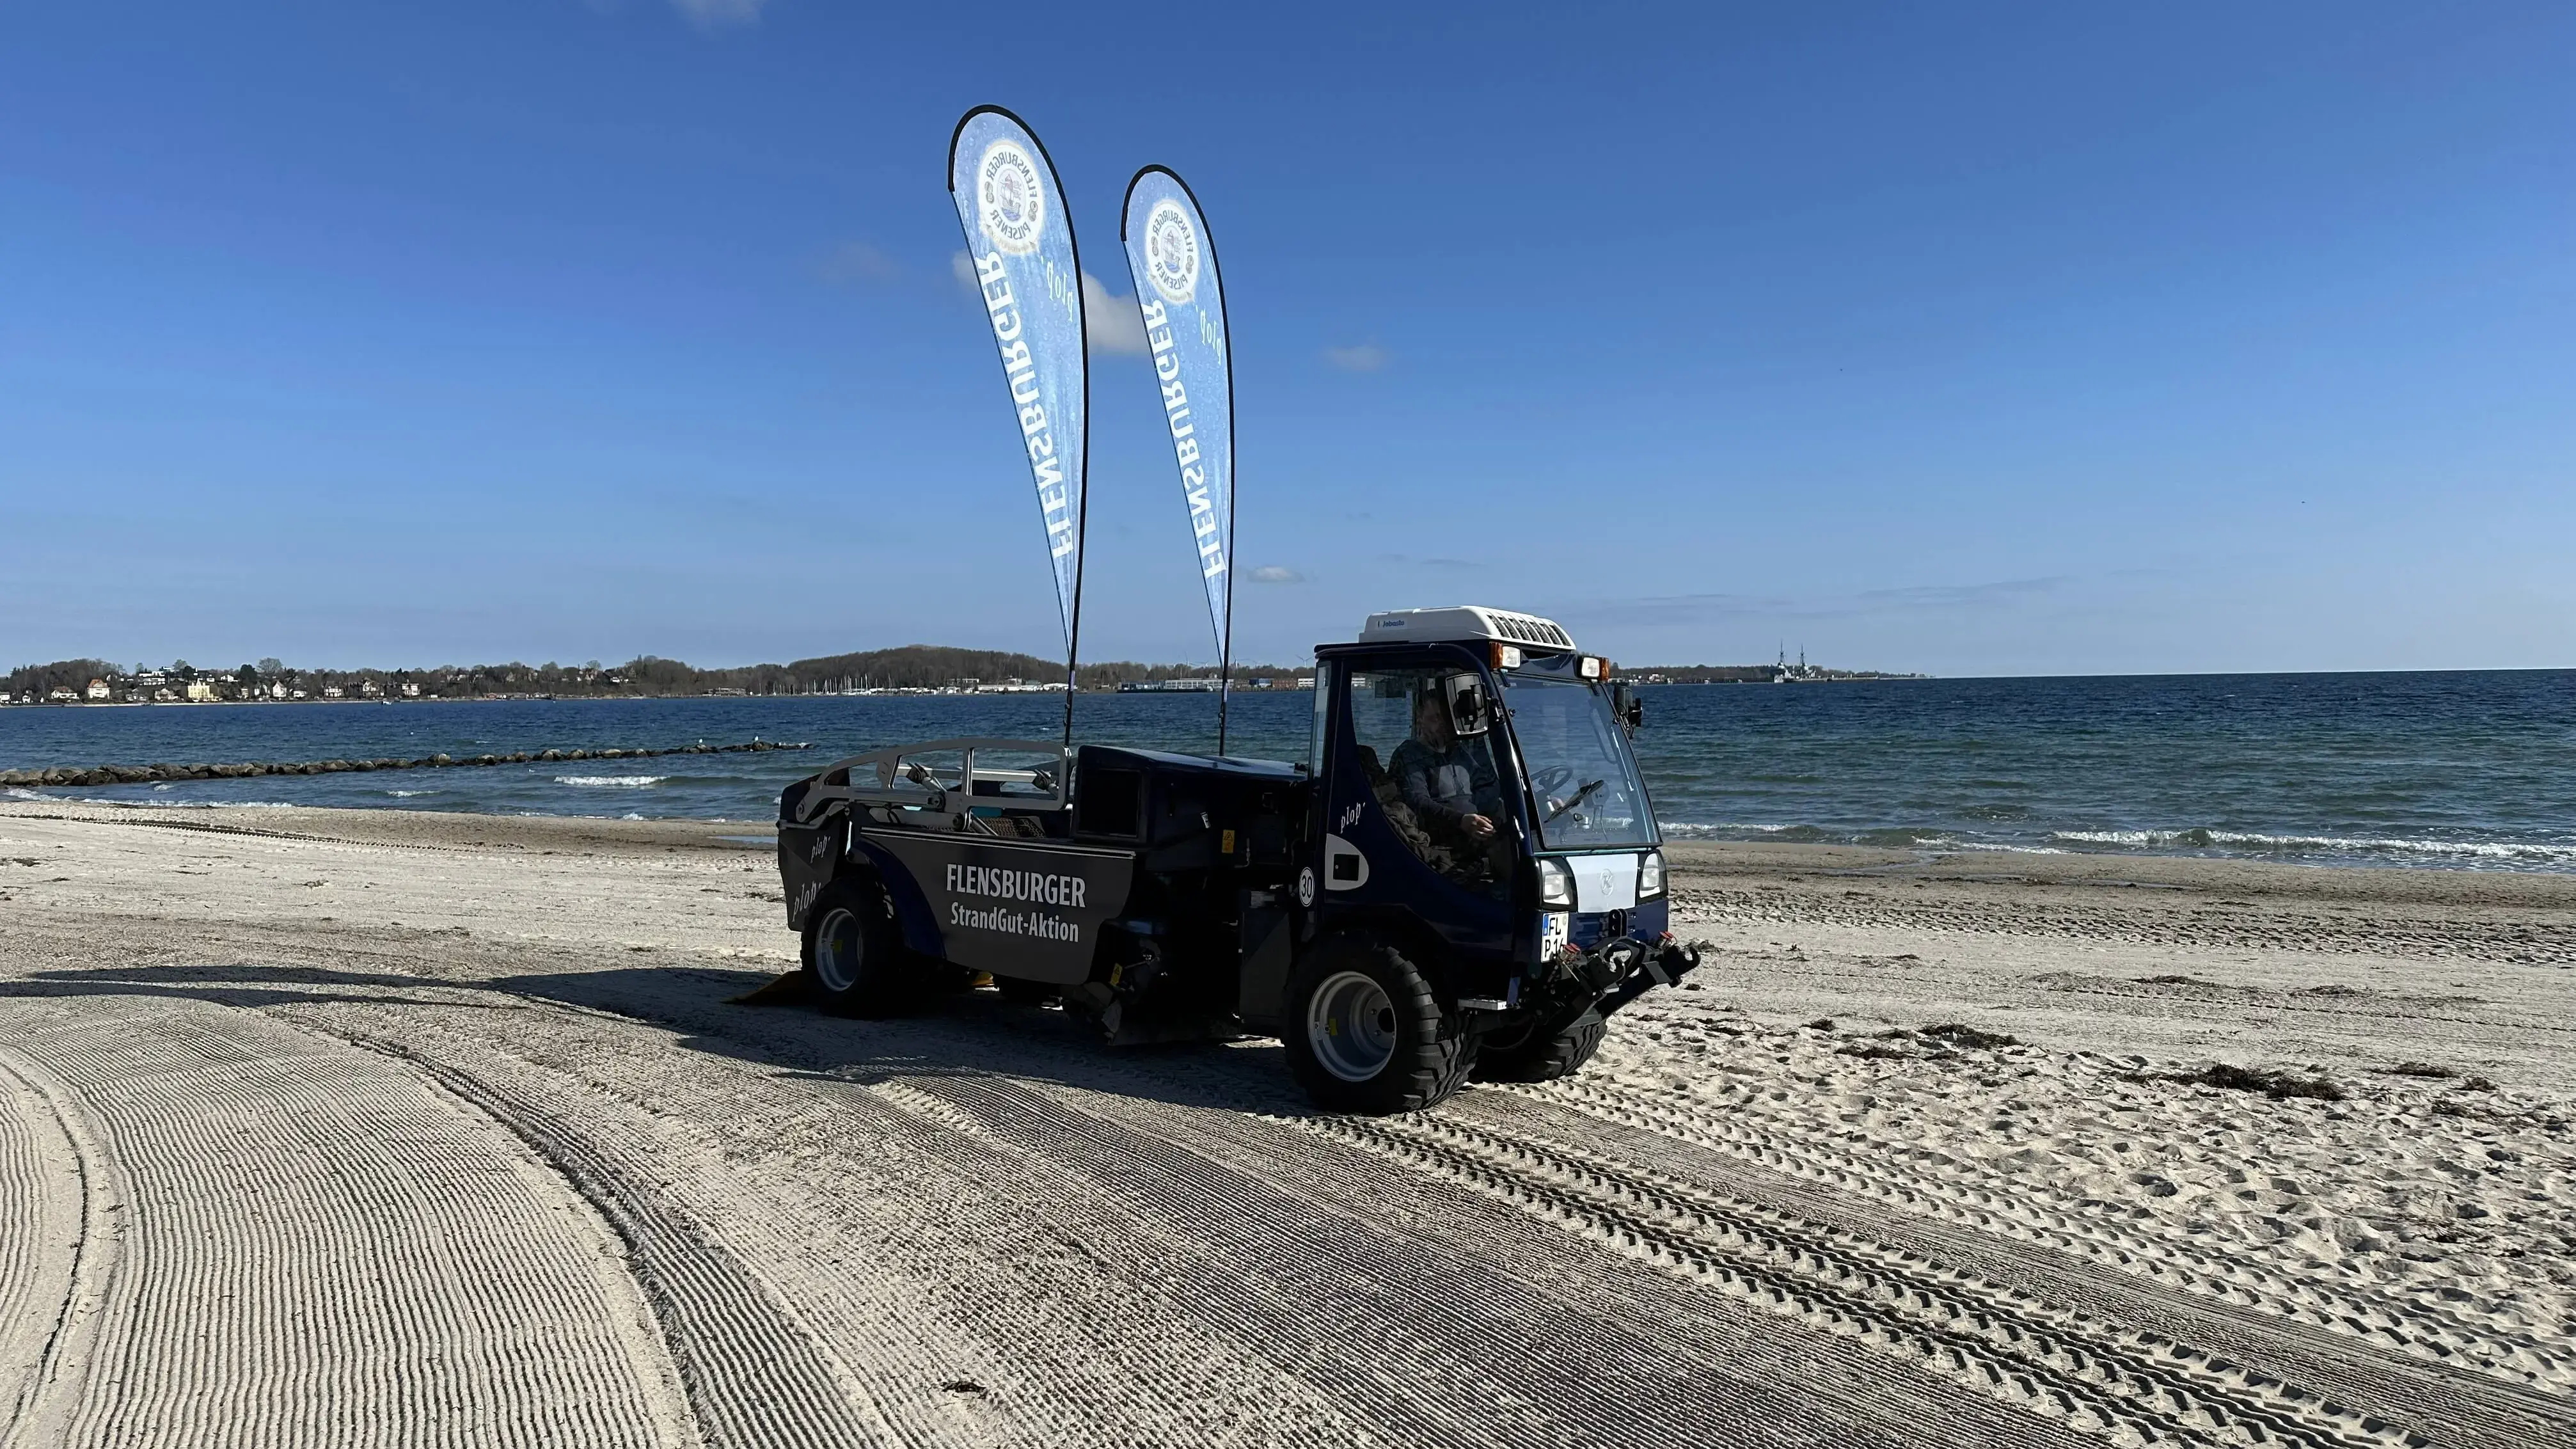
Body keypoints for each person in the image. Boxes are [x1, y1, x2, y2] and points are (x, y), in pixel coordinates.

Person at [1389, 686, 1505, 853]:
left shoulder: (1459, 752)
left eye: (1446, 717)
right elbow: (1418, 802)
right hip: (1442, 838)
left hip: (1479, 831)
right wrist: (1461, 821)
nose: (1443, 724)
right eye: (1435, 718)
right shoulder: (1408, 755)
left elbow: (1487, 785)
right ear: (1419, 720)